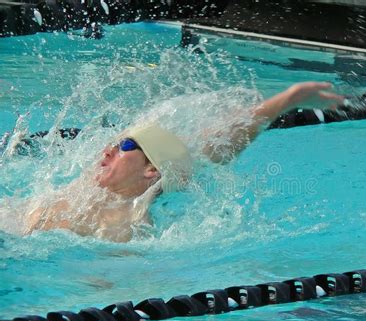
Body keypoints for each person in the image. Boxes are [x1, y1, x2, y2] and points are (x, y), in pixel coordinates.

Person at [22, 82, 343, 242]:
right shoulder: (90, 188)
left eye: (126, 145)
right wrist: (287, 100)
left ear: (152, 170)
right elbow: (217, 144)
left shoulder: (126, 228)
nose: (107, 150)